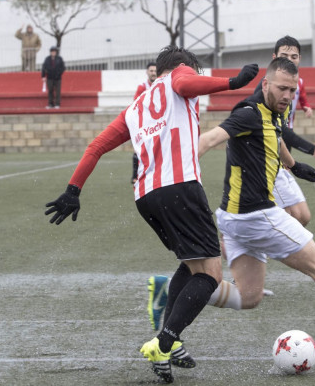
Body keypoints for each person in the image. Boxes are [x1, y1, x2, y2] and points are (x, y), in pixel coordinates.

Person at [151, 59, 315, 366]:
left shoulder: (274, 114)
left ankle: (175, 292)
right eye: (282, 88)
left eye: (291, 89)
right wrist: (172, 171)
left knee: (249, 296)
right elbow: (208, 139)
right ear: (265, 85)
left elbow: (277, 137)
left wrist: (295, 165)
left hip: (234, 220)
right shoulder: (247, 113)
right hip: (256, 216)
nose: (287, 95)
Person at [45, 45, 259, 384]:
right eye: (192, 69)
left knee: (191, 264)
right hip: (180, 187)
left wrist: (73, 189)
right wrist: (232, 82)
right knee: (211, 275)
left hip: (145, 196)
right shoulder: (180, 74)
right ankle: (164, 342)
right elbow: (186, 85)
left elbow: (96, 146)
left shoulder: (135, 107)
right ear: (181, 66)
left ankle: (170, 342)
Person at [255, 35, 315, 226]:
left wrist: (292, 164)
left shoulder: (292, 86)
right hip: (259, 162)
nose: (288, 60)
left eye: (294, 57)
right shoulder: (267, 89)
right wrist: (312, 149)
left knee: (301, 216)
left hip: (275, 156)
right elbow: (279, 130)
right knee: (288, 218)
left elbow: (278, 133)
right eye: (284, 56)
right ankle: (239, 242)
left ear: (299, 59)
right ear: (274, 57)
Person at [131, 62, 158, 184]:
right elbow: (136, 104)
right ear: (147, 72)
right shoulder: (142, 87)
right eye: (151, 71)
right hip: (145, 123)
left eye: (155, 71)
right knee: (141, 149)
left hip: (158, 122)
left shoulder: (161, 85)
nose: (153, 73)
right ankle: (136, 176)